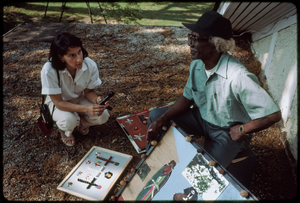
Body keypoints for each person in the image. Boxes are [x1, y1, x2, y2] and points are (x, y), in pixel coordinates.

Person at [147, 11, 281, 168]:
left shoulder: (238, 76)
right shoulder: (197, 65)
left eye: (195, 39)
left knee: (206, 170)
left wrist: (243, 129)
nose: (190, 44)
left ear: (216, 44)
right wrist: (162, 119)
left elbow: (273, 115)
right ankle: (153, 165)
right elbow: (186, 98)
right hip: (202, 119)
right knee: (156, 115)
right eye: (190, 37)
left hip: (227, 131)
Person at [41, 32, 110, 147]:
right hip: (58, 104)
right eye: (72, 55)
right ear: (61, 57)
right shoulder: (49, 70)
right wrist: (86, 108)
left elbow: (88, 92)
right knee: (68, 120)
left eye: (79, 52)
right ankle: (65, 130)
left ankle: (80, 123)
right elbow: (59, 103)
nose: (79, 59)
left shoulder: (90, 65)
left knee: (103, 115)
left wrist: (97, 100)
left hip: (79, 98)